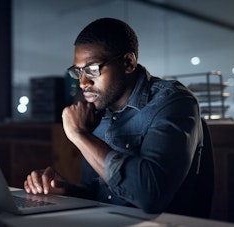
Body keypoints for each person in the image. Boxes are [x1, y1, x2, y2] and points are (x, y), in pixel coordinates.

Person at [24, 18, 203, 215]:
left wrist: (80, 135)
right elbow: (98, 193)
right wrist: (64, 190)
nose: (83, 82)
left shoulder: (173, 102)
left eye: (92, 69)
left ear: (128, 63)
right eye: (79, 72)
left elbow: (151, 195)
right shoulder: (95, 112)